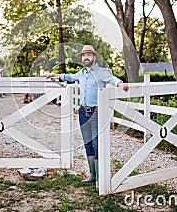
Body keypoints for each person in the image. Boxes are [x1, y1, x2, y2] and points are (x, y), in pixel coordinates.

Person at [45, 45, 129, 188]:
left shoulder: (101, 72)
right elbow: (70, 77)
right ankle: (92, 175)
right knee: (87, 144)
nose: (86, 57)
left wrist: (121, 84)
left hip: (96, 113)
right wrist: (55, 75)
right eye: (84, 55)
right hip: (83, 112)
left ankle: (99, 179)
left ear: (94, 57)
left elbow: (112, 79)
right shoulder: (81, 73)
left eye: (89, 55)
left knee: (97, 145)